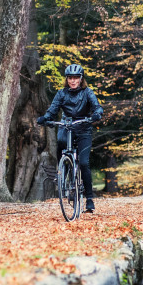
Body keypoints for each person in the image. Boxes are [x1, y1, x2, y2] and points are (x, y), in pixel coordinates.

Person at [37, 64, 104, 213]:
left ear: (81, 79)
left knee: (85, 163)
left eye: (76, 78)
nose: (73, 81)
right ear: (67, 79)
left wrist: (96, 114)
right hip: (66, 127)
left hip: (84, 128)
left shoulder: (87, 93)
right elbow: (53, 110)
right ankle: (64, 171)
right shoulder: (61, 93)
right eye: (70, 78)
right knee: (61, 142)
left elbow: (97, 107)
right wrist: (46, 118)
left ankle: (90, 199)